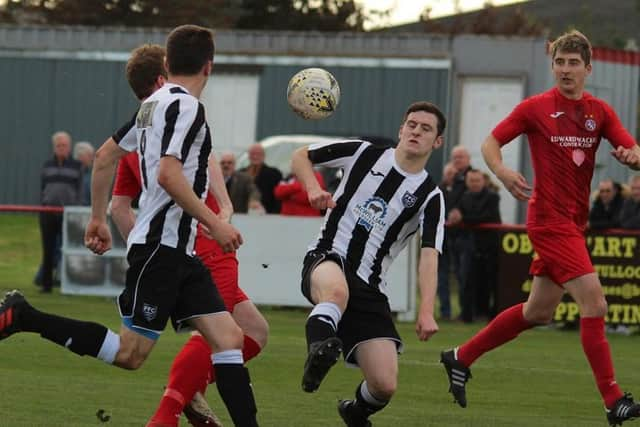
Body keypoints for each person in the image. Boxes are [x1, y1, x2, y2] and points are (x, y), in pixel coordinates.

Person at [0, 25, 259, 427]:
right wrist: (216, 223)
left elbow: (104, 156)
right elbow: (170, 176)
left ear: (168, 64)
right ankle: (23, 316)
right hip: (160, 250)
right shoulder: (187, 107)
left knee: (229, 339)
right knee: (130, 354)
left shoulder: (151, 106)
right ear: (209, 66)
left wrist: (99, 218)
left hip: (179, 252)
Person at [440, 30, 640, 426]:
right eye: (559, 62)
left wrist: (632, 157)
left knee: (539, 311)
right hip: (548, 221)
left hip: (573, 223)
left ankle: (460, 357)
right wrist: (501, 172)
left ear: (588, 68)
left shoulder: (599, 112)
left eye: (573, 63)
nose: (565, 70)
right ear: (553, 66)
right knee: (596, 304)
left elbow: (631, 147)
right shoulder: (535, 108)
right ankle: (613, 400)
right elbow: (489, 145)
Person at [110, 43, 268, 427]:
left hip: (172, 244)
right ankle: (171, 408)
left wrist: (141, 250)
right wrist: (221, 213)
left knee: (253, 329)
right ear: (164, 75)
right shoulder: (180, 112)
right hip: (199, 241)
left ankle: (189, 391)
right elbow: (199, 160)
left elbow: (118, 205)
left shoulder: (139, 131)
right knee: (223, 334)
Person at [293, 101, 446, 426]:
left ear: (437, 142)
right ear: (400, 130)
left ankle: (355, 411)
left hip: (370, 285)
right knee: (335, 293)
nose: (416, 131)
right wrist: (313, 189)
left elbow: (430, 253)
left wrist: (427, 308)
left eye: (426, 128)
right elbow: (301, 155)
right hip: (327, 256)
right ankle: (318, 352)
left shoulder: (431, 196)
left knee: (384, 385)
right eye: (412, 124)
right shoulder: (363, 152)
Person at [448, 168, 501, 322]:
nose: (475, 184)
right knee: (467, 281)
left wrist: (462, 219)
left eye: (477, 180)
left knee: (490, 282)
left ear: (483, 181)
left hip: (490, 246)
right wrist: (456, 215)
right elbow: (457, 212)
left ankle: (491, 314)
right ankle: (468, 315)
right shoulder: (465, 197)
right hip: (471, 245)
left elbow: (485, 217)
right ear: (467, 182)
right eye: (471, 181)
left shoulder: (492, 197)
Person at [37, 130, 82, 293]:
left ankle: (69, 285)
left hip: (67, 214)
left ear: (69, 147)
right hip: (47, 213)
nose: (61, 148)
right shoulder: (46, 165)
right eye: (58, 145)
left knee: (69, 250)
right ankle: (46, 285)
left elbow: (79, 191)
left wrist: (75, 209)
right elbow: (43, 189)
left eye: (64, 145)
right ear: (54, 147)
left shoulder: (77, 166)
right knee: (48, 250)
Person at [437, 162, 457, 320]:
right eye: (448, 173)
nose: (450, 176)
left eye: (453, 174)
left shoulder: (462, 191)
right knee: (442, 277)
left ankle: (466, 313)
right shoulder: (438, 190)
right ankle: (445, 311)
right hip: (442, 239)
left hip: (459, 239)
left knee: (462, 276)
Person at [241, 143, 283, 213]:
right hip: (241, 213)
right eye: (253, 154)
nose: (255, 156)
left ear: (264, 156)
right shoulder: (240, 173)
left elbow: (278, 197)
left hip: (268, 214)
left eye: (258, 154)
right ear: (248, 155)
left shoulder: (274, 174)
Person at [74, 141, 95, 206]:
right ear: (80, 156)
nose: (92, 159)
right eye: (90, 155)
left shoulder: (91, 174)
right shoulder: (72, 174)